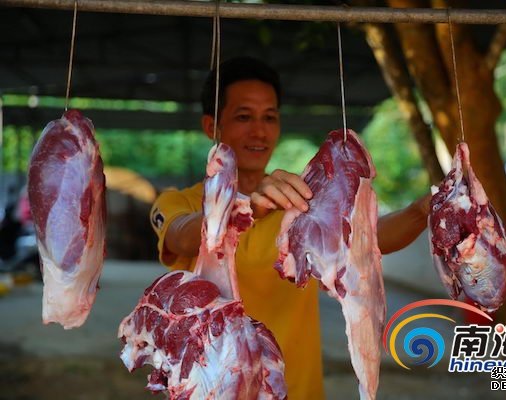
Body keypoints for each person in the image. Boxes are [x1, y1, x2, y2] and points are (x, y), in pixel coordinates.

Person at [150, 56, 431, 399]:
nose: (260, 130)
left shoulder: (299, 199)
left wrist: (421, 211)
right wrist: (248, 207)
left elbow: (367, 240)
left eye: (270, 117)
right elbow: (181, 235)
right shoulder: (180, 201)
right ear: (212, 127)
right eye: (244, 117)